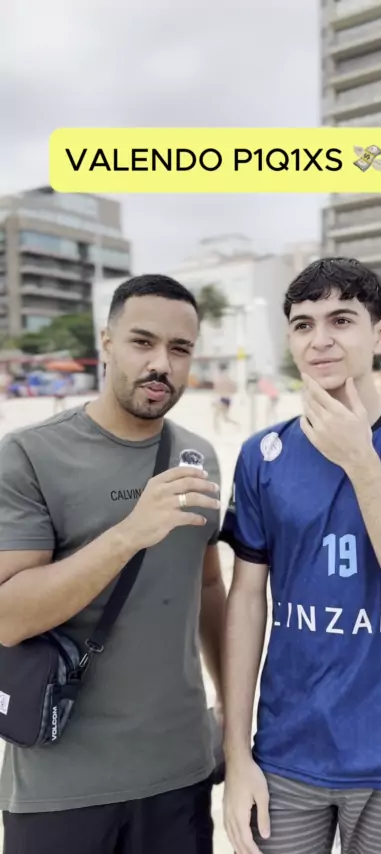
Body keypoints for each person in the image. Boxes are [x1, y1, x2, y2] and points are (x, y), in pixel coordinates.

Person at [219, 257, 381, 854]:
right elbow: (247, 603)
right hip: (289, 750)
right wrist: (237, 757)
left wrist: (362, 460)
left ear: (379, 333)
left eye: (341, 320)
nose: (321, 339)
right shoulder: (262, 455)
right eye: (303, 324)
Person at [0, 274, 226, 854]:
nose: (161, 365)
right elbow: (9, 617)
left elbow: (208, 587)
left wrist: (231, 701)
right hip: (60, 784)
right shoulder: (29, 455)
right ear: (106, 342)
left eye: (179, 349)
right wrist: (127, 534)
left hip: (179, 773)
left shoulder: (199, 457)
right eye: (142, 342)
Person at [213, 364, 238, 431]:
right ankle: (236, 425)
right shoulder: (228, 377)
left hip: (223, 399)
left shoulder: (220, 377)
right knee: (225, 418)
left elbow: (217, 389)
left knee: (217, 416)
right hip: (227, 399)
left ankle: (217, 430)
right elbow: (233, 389)